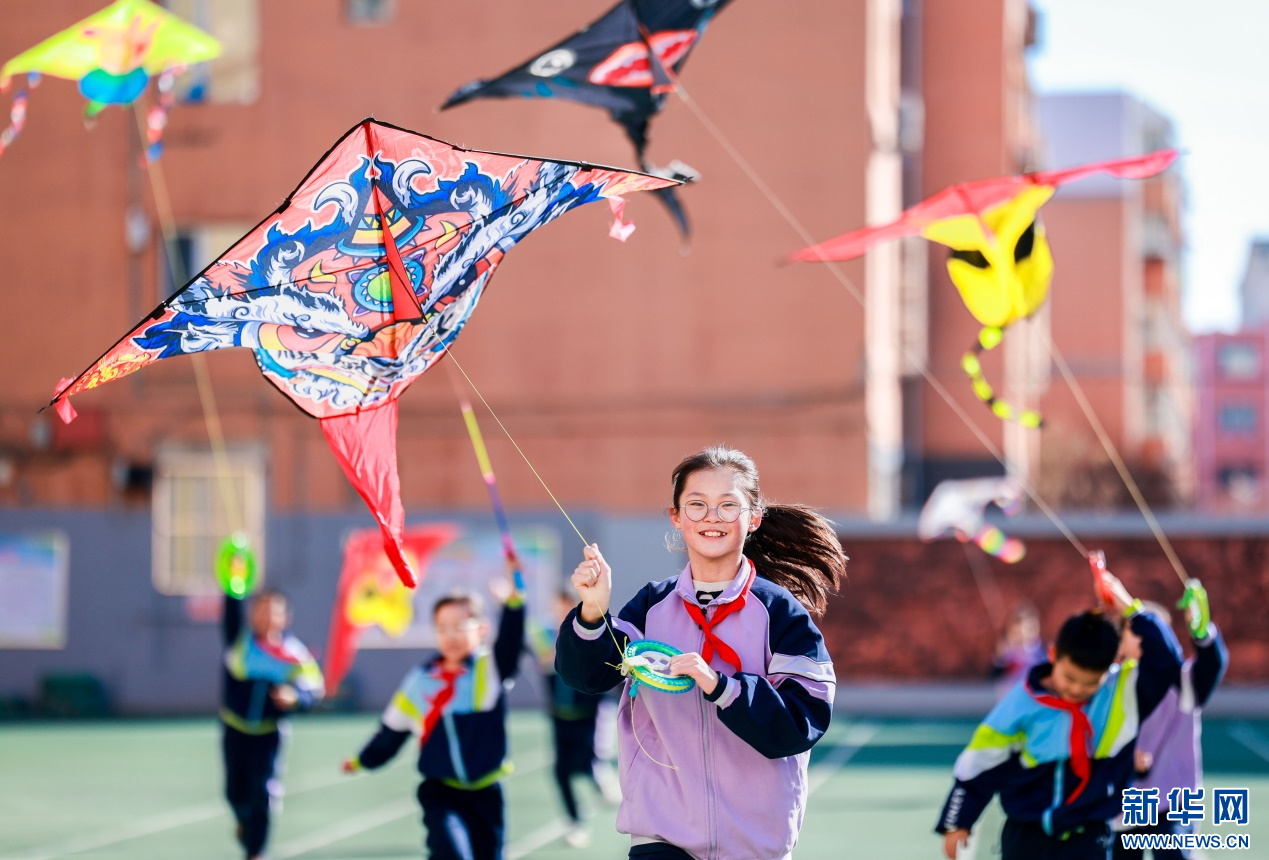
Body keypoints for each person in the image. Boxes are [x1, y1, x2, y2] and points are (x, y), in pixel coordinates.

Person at [556, 446, 846, 860]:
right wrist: (592, 611)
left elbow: (803, 719)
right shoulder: (650, 606)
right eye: (697, 505)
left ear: (753, 518)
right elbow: (585, 676)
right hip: (662, 836)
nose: (712, 517)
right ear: (676, 517)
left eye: (729, 505)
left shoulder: (780, 613)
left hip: (755, 843)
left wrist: (722, 687)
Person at [936, 570, 1183, 860]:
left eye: (1091, 682)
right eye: (1069, 678)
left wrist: (1128, 605)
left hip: (1089, 836)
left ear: (1111, 667)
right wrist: (958, 821)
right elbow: (979, 763)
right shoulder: (1021, 703)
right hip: (1026, 837)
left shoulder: (1124, 694)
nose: (1077, 690)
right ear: (1053, 655)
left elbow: (1167, 659)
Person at [343, 588, 525, 860]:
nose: (450, 636)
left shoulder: (491, 671)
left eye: (459, 627)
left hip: (486, 794)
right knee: (451, 853)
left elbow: (511, 642)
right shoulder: (420, 681)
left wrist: (514, 604)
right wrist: (363, 760)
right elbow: (392, 731)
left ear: (482, 629)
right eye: (442, 628)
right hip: (441, 793)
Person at [1113, 581, 1229, 859]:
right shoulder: (1115, 684)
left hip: (1175, 800)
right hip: (1125, 799)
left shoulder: (1183, 682)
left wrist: (1202, 633)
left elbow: (1212, 665)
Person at [221, 588, 325, 860]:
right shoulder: (240, 644)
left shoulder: (294, 655)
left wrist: (295, 696)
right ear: (252, 614)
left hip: (269, 735)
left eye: (274, 610)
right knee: (234, 792)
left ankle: (256, 852)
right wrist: (234, 580)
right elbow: (230, 611)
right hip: (235, 730)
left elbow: (313, 689)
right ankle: (244, 822)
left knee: (263, 793)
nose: (267, 615)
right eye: (261, 609)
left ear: (285, 618)